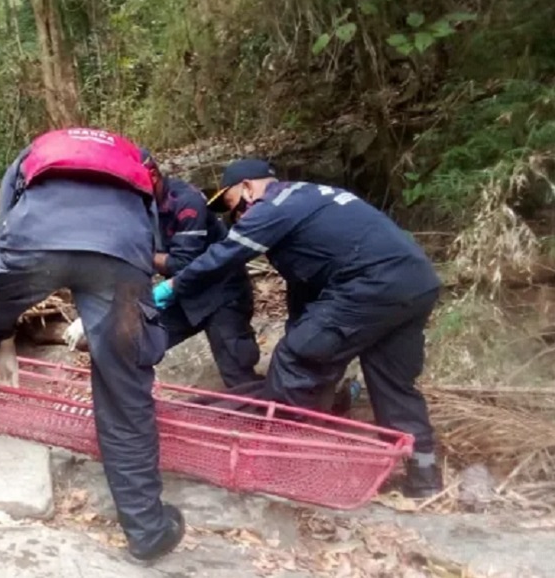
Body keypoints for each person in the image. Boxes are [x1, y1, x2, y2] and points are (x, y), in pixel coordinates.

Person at [0, 127, 186, 562]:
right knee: (125, 383)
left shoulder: (41, 147)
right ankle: (146, 529)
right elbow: (151, 226)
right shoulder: (134, 157)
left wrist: (0, 317)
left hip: (33, 241)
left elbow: (6, 219)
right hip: (120, 254)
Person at [152, 158, 443, 498]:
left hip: (370, 285)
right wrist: (300, 329)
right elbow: (306, 285)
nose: (235, 219)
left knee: (295, 360)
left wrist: (172, 287)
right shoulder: (310, 199)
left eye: (232, 206)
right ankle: (424, 480)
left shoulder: (272, 207)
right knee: (393, 384)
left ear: (247, 187)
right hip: (415, 282)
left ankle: (288, 472)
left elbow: (222, 257)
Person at [144, 149, 262, 388]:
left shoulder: (187, 202)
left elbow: (182, 262)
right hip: (183, 293)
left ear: (153, 175)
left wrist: (140, 254)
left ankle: (296, 411)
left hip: (221, 293)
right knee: (139, 344)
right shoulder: (140, 207)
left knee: (239, 378)